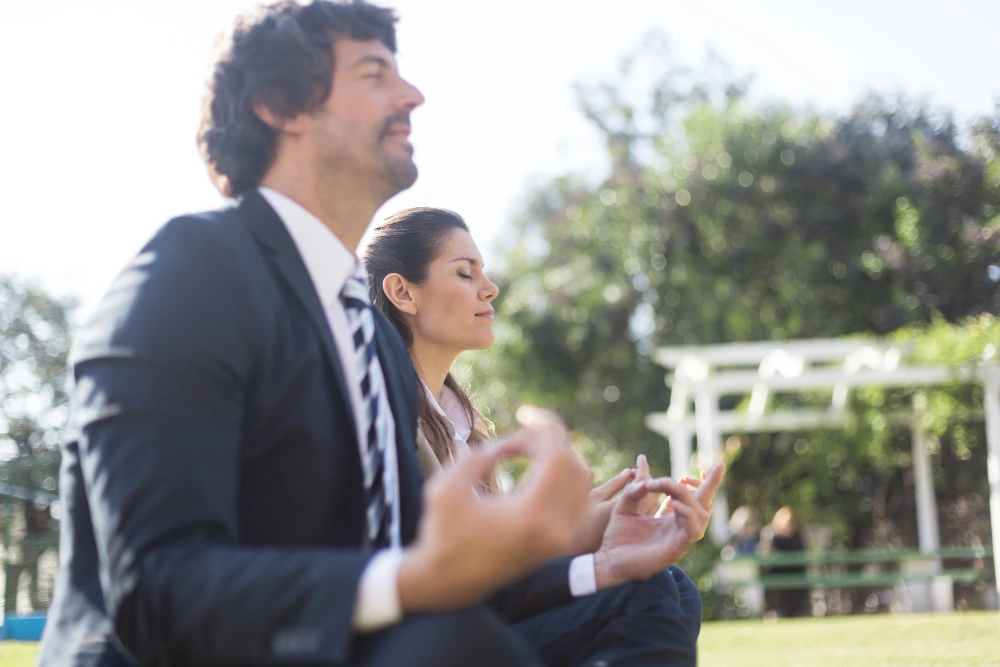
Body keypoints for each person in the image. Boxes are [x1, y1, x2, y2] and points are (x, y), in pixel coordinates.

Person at [38, 2, 721, 665]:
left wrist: (598, 563)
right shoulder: (190, 277)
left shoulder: (361, 330)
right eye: (374, 73)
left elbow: (415, 559)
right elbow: (159, 589)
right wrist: (413, 579)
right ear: (280, 108)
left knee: (636, 595)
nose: (414, 94)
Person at [363, 206, 710, 646]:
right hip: (439, 632)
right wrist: (566, 538)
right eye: (465, 274)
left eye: (483, 273)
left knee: (676, 586)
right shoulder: (391, 417)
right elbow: (454, 571)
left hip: (486, 611)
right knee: (653, 591)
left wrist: (590, 528)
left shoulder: (462, 427)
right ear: (403, 292)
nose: (490, 289)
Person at [759, 506, 810, 618]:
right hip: (776, 576)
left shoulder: (797, 535)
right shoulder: (771, 536)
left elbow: (801, 558)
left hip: (795, 576)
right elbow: (765, 558)